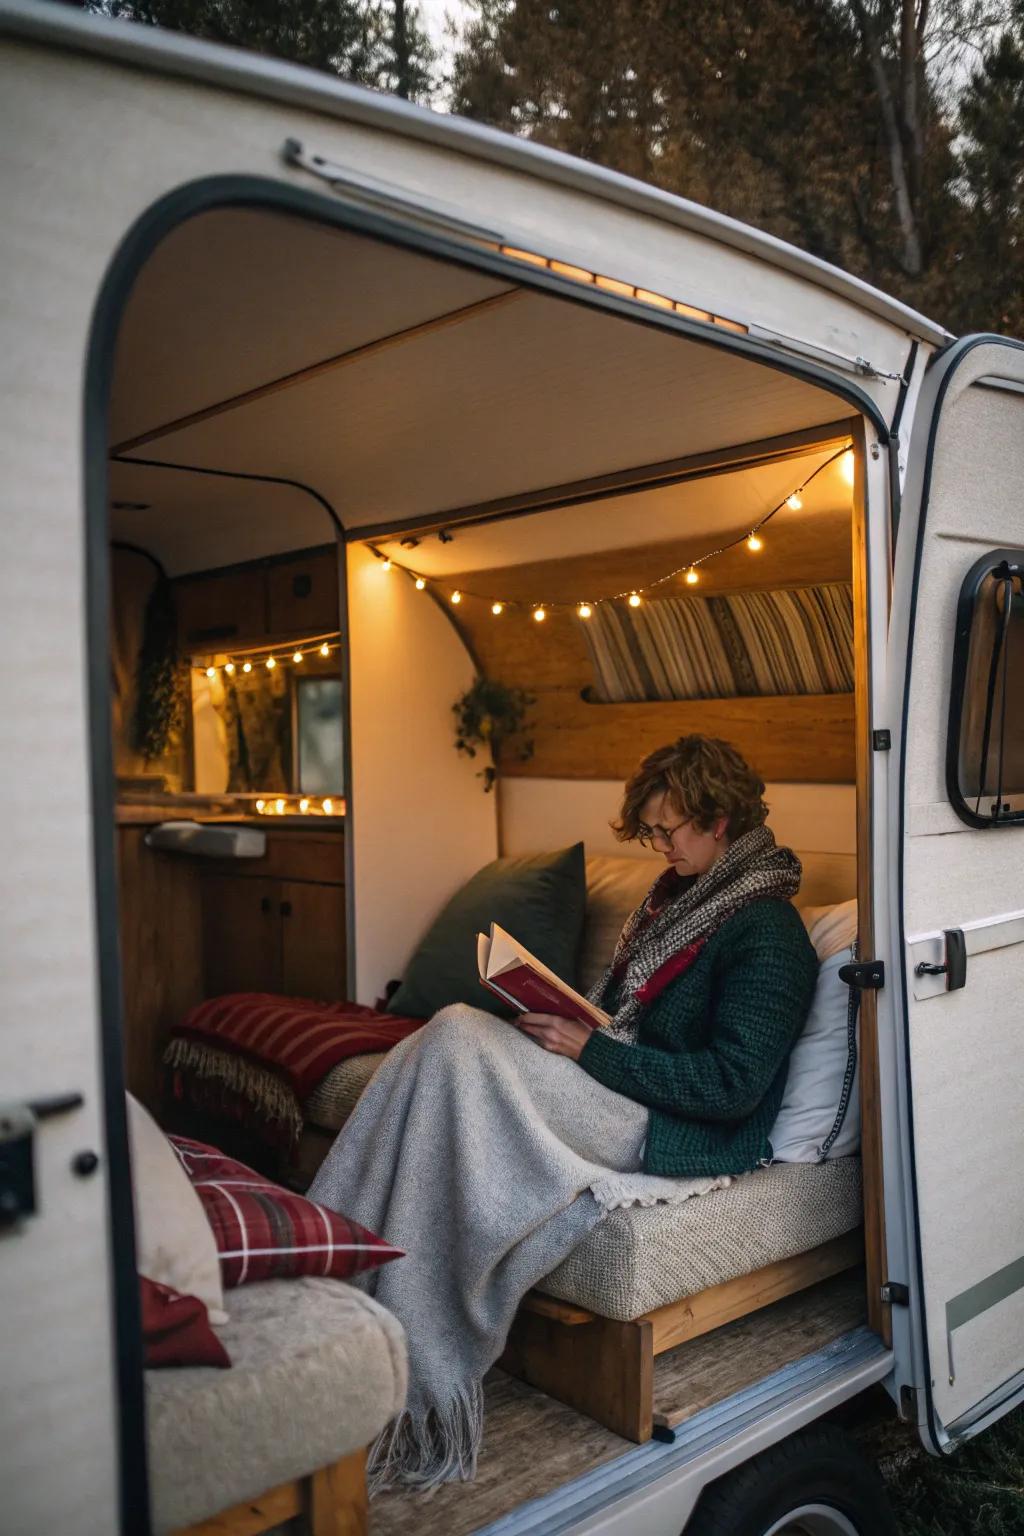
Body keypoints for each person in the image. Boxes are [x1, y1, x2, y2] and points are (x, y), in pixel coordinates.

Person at [309, 735, 819, 1493]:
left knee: (457, 1036)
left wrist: (588, 1049)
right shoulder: (674, 901)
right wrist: (568, 1021)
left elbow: (730, 1087)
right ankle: (326, 1264)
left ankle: (410, 1361)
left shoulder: (768, 930)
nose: (658, 846)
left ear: (719, 821)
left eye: (668, 830)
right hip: (620, 1089)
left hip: (676, 1129)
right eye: (650, 832)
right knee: (441, 1040)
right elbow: (624, 1022)